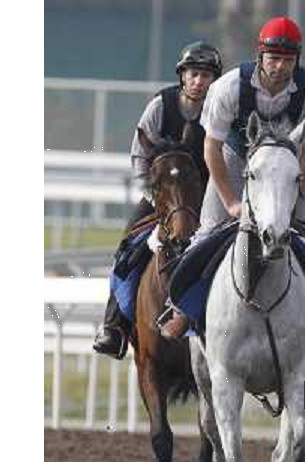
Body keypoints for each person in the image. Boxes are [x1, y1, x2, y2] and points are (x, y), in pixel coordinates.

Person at [198, 16, 305, 350]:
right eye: (274, 58)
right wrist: (230, 202)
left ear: (298, 59)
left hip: (286, 170)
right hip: (236, 162)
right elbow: (211, 148)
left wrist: (291, 198)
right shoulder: (226, 88)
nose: (280, 66)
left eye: (288, 60)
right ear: (260, 55)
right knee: (205, 233)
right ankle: (185, 308)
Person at [93, 41, 223, 359]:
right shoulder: (160, 105)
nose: (199, 81)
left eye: (206, 76)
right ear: (182, 76)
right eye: (193, 74)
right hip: (162, 195)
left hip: (206, 197)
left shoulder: (221, 109)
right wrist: (156, 196)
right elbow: (140, 154)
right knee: (127, 248)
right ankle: (114, 326)